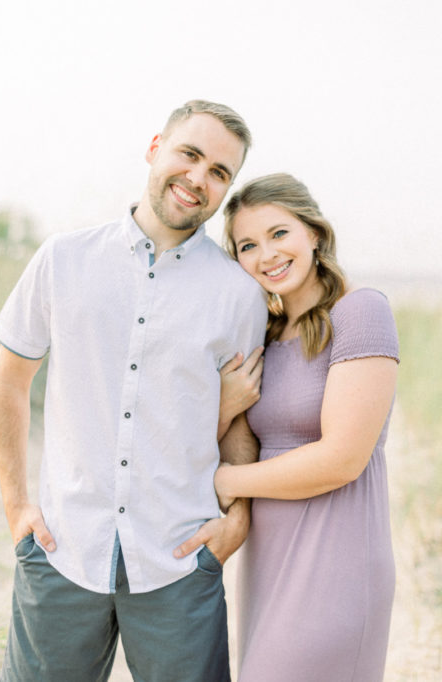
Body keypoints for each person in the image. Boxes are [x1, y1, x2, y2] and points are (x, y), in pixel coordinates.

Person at [0, 100, 268, 681]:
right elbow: (11, 382)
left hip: (180, 561)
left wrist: (237, 518)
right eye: (189, 154)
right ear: (155, 147)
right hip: (62, 550)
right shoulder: (63, 259)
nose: (198, 178)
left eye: (219, 172)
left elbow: (241, 419)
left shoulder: (238, 294)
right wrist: (17, 506)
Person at [215, 173, 398, 681]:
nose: (266, 254)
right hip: (270, 562)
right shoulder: (264, 334)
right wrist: (226, 408)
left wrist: (225, 481)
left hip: (336, 560)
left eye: (279, 233)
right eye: (247, 245)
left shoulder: (360, 311)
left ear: (313, 232)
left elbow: (342, 458)